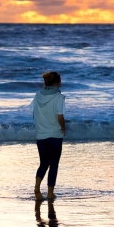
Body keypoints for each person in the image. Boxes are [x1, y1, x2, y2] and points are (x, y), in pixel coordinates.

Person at [32, 71, 67, 200]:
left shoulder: (37, 96)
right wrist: (63, 128)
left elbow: (33, 113)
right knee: (54, 164)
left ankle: (37, 187)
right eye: (60, 81)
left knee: (43, 163)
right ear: (57, 82)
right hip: (55, 135)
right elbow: (60, 116)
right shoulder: (59, 97)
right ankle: (50, 192)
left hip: (41, 135)